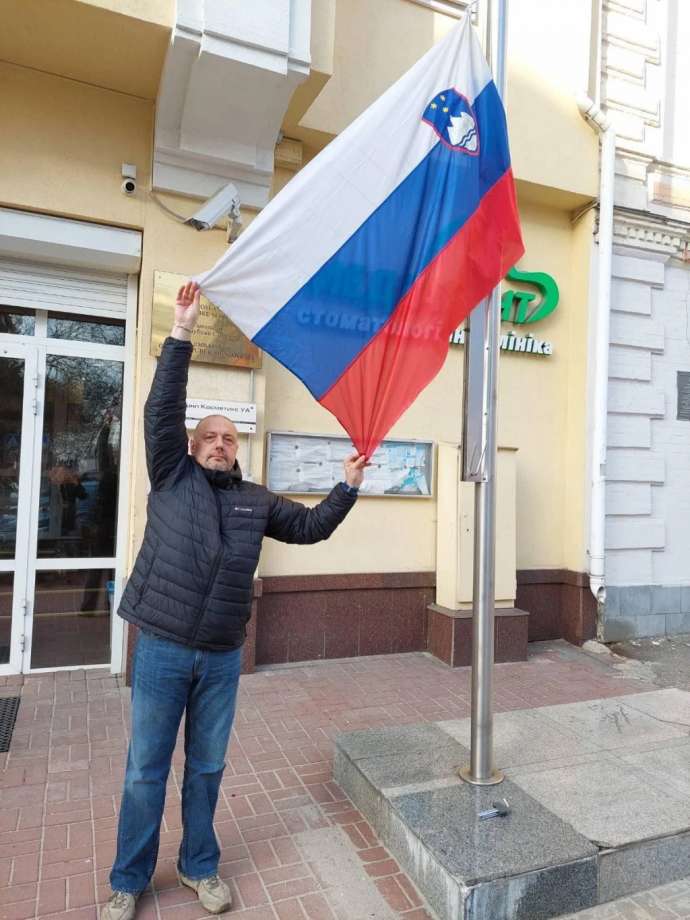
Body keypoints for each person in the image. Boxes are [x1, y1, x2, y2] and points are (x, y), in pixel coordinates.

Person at [102, 281, 365, 920]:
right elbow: (161, 410)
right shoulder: (171, 475)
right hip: (162, 648)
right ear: (193, 449)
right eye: (210, 437)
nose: (221, 444)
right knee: (145, 772)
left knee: (208, 769)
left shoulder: (255, 501)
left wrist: (347, 485)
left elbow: (309, 528)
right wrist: (182, 331)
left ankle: (199, 867)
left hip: (220, 657)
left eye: (229, 439)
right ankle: (128, 880)